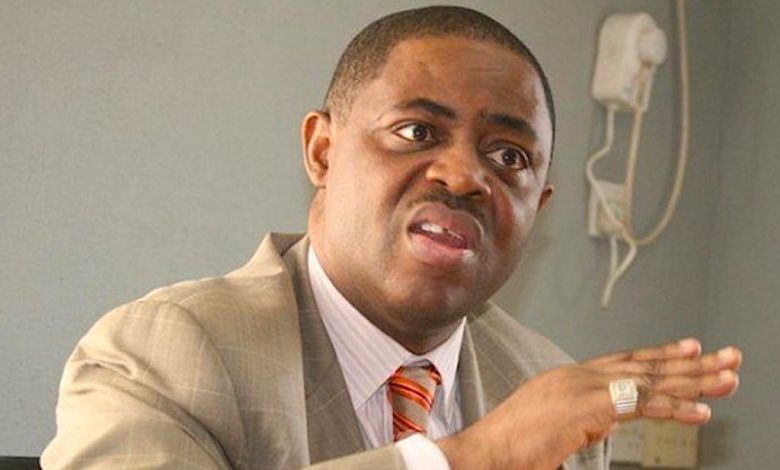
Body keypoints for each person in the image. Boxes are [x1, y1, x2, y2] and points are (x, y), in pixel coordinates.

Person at [42, 6, 741, 470]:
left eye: (509, 156)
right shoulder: (164, 352)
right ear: (322, 151)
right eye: (416, 131)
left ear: (540, 207)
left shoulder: (543, 381)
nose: (463, 176)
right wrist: (470, 457)